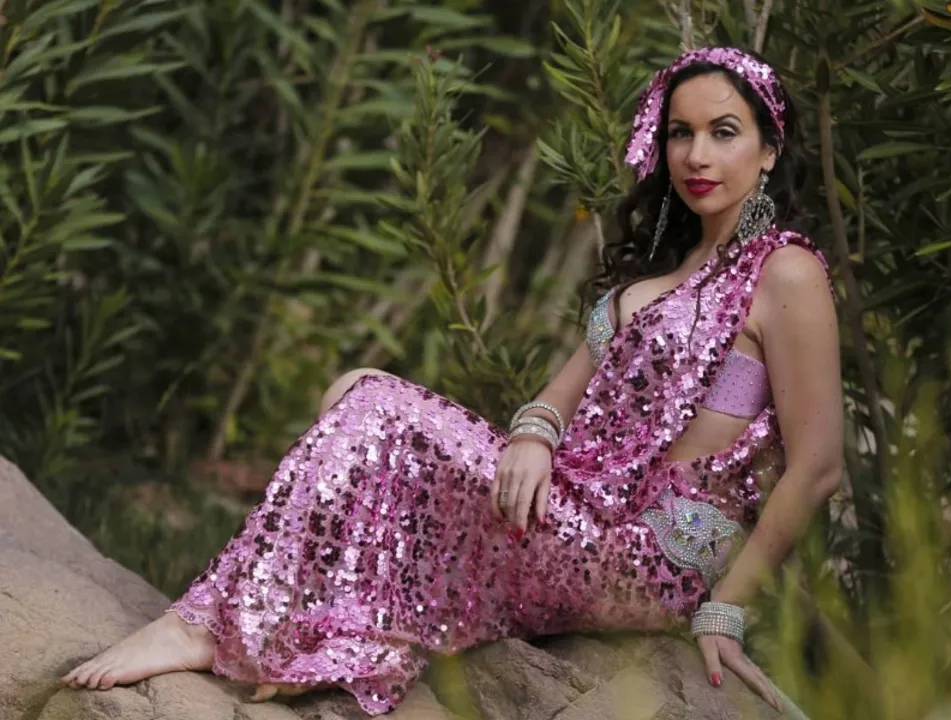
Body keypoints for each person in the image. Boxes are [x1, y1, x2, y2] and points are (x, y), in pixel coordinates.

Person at [62, 46, 843, 716]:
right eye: (680, 133)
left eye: (723, 132)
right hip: (577, 510)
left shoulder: (784, 272)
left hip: (650, 555)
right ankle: (324, 627)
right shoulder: (659, 278)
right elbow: (555, 399)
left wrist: (725, 609)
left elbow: (817, 466)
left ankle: (206, 627)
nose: (697, 155)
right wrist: (533, 438)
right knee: (355, 389)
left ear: (768, 150)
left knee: (374, 407)